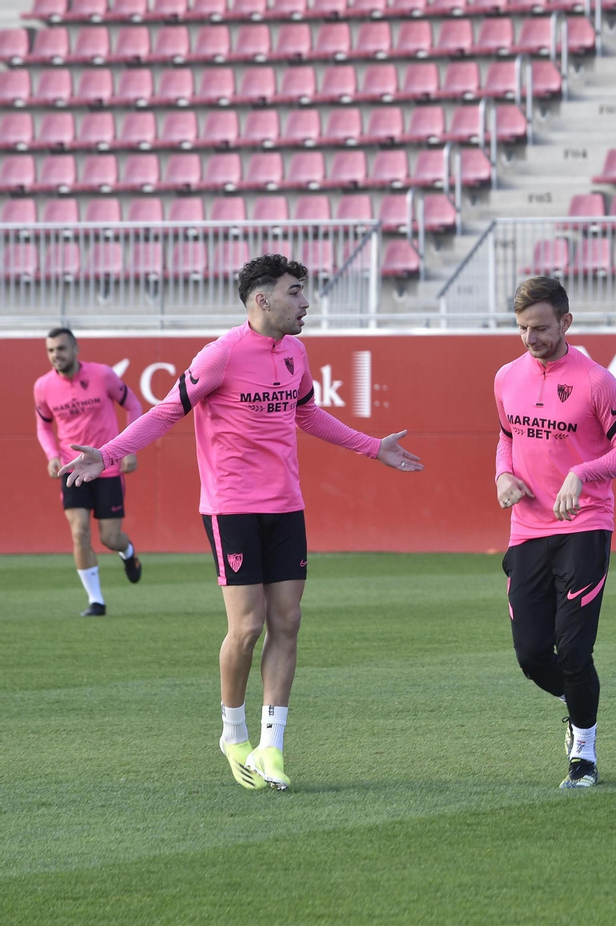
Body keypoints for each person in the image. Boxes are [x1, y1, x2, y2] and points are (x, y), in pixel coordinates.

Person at [62, 255, 423, 793]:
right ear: (262, 300)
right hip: (231, 508)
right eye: (295, 293)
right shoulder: (221, 355)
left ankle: (271, 747)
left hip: (287, 507)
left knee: (289, 622)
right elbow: (165, 412)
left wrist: (373, 448)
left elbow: (306, 414)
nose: (305, 303)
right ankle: (232, 733)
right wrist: (107, 456)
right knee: (247, 627)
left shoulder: (296, 352)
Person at [494, 277, 616, 789]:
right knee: (531, 654)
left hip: (585, 527)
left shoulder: (596, 381)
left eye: (540, 327)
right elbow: (507, 436)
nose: (530, 337)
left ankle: (584, 754)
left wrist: (582, 474)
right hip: (527, 530)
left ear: (566, 322)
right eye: (521, 328)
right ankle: (578, 701)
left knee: (574, 650)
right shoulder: (505, 377)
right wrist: (503, 475)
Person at [34, 328, 145, 616]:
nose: (55, 355)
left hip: (106, 466)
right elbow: (44, 424)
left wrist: (129, 448)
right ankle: (96, 601)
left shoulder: (102, 375)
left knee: (110, 537)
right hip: (73, 469)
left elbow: (133, 405)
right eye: (50, 350)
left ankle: (128, 553)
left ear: (75, 349)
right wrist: (51, 456)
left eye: (60, 348)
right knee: (79, 532)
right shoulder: (43, 386)